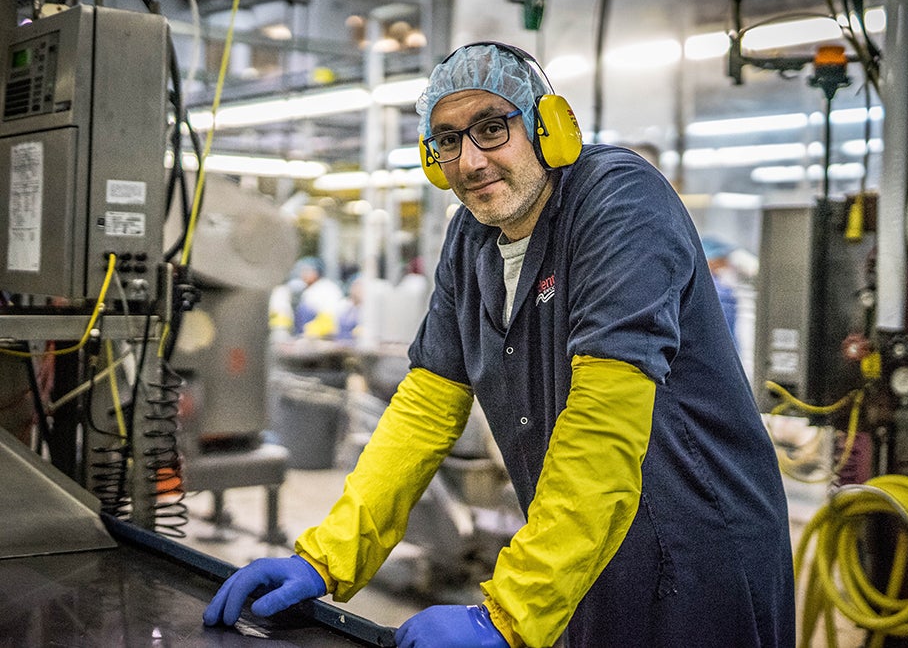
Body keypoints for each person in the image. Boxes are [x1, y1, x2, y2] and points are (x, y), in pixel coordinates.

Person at [204, 42, 795, 647]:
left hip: (699, 550)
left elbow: (603, 420)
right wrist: (324, 558)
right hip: (582, 548)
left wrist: (507, 613)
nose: (470, 160)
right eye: (448, 141)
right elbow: (424, 412)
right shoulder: (471, 241)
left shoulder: (619, 204)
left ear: (549, 127)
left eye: (492, 128)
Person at [702, 236, 739, 338]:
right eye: (722, 259)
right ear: (712, 260)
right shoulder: (719, 292)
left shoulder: (706, 285)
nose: (726, 263)